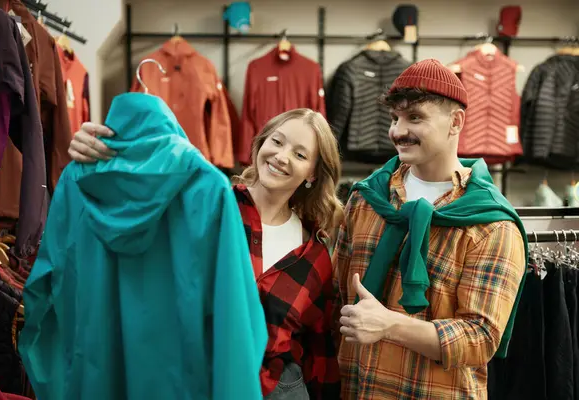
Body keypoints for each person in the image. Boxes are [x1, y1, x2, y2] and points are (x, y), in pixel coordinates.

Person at [67, 108, 343, 399]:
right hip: (194, 380)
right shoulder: (206, 204)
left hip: (275, 391)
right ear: (261, 143)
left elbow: (318, 350)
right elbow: (129, 216)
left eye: (300, 155)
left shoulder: (315, 255)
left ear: (313, 172)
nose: (282, 156)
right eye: (277, 141)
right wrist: (96, 158)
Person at [333, 59, 529, 399]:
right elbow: (336, 296)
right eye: (394, 118)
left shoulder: (491, 222)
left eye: (415, 117)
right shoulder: (366, 199)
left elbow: (481, 338)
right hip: (356, 388)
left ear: (456, 122)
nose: (397, 130)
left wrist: (390, 325)